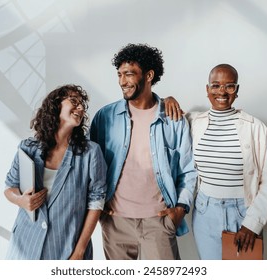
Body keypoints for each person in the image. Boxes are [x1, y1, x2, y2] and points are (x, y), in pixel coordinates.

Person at [90, 43, 197, 260]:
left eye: (129, 74)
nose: (122, 81)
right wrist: (98, 209)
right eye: (119, 74)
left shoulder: (173, 119)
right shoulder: (105, 117)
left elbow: (188, 170)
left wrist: (180, 209)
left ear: (149, 75)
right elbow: (91, 167)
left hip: (158, 220)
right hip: (115, 221)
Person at [169, 63, 267, 259]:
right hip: (205, 211)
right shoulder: (193, 122)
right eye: (216, 85)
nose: (222, 92)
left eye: (229, 86)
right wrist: (166, 99)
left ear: (237, 90)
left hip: (243, 211)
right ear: (207, 89)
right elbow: (161, 117)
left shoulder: (256, 128)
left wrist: (252, 224)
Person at [4, 84, 107, 260]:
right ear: (55, 106)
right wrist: (20, 200)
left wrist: (80, 251)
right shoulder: (28, 148)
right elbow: (10, 187)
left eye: (82, 105)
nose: (80, 107)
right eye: (74, 101)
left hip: (67, 246)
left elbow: (96, 202)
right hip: (25, 244)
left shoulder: (90, 153)